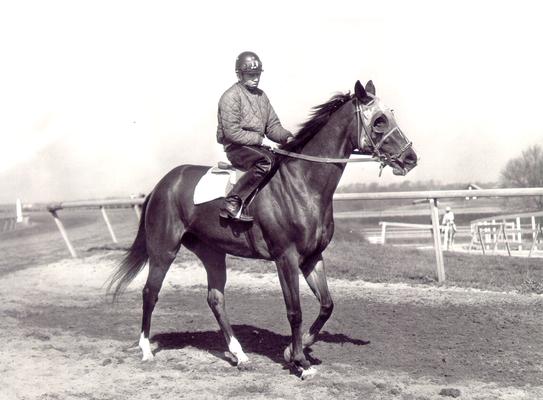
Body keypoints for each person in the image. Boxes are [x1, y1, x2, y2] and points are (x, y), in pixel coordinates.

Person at [216, 51, 294, 221]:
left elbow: (272, 126)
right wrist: (261, 140)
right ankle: (232, 201)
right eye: (251, 74)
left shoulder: (261, 96)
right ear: (239, 74)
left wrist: (287, 137)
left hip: (255, 147)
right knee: (266, 161)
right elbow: (232, 132)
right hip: (236, 147)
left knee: (282, 159)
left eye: (258, 74)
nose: (256, 78)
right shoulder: (230, 97)